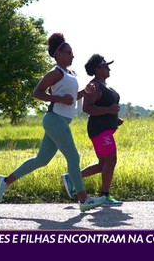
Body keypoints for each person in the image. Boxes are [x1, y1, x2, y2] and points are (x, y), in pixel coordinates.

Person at [0, 33, 106, 212]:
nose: (72, 55)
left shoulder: (69, 73)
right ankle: (83, 199)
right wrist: (57, 98)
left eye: (72, 52)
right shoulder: (55, 72)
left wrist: (84, 92)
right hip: (54, 119)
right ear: (58, 54)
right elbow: (37, 92)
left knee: (41, 160)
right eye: (68, 52)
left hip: (60, 121)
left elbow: (70, 99)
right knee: (73, 157)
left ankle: (6, 181)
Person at [61, 53, 123, 207]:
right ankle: (105, 196)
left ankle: (71, 178)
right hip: (99, 129)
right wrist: (109, 110)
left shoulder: (105, 85)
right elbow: (87, 108)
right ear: (97, 69)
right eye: (105, 65)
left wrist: (114, 118)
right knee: (111, 160)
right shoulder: (94, 86)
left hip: (105, 128)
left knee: (103, 164)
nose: (109, 68)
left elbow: (106, 107)